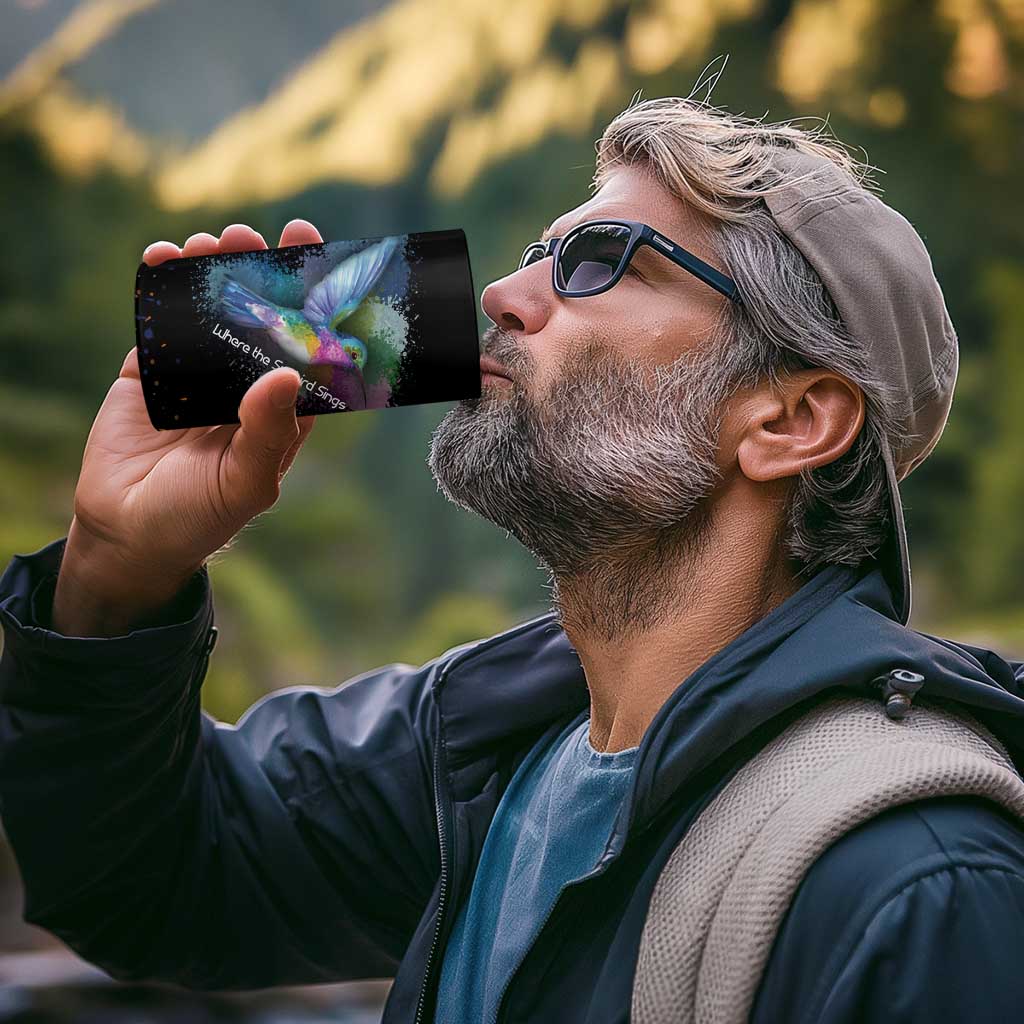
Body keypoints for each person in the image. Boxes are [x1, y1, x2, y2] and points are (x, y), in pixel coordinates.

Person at [2, 95, 1024, 1024]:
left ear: (791, 420)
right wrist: (116, 571)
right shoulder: (480, 747)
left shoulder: (918, 884)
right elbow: (149, 879)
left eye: (599, 261)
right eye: (540, 251)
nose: (501, 291)